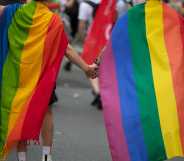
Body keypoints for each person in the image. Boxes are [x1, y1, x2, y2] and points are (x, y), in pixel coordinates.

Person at [0, 1, 97, 161]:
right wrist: (86, 68)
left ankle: (22, 157)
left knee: (20, 115)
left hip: (15, 78)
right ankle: (46, 156)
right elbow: (66, 48)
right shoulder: (52, 20)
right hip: (40, 77)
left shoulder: (14, 12)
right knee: (45, 112)